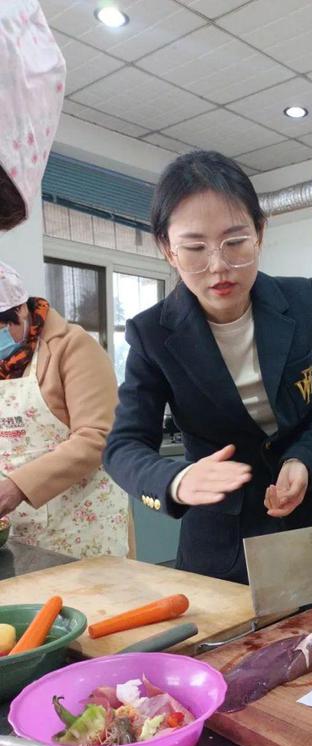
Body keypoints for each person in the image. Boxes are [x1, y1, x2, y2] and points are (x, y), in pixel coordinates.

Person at [104, 151, 312, 594]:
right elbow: (123, 446)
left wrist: (303, 457)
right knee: (225, 655)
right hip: (221, 536)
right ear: (167, 249)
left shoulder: (302, 301)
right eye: (195, 249)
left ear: (259, 232)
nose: (218, 266)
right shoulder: (152, 334)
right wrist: (178, 479)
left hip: (310, 517)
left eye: (235, 242)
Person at [0, 0, 129, 558]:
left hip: (83, 532)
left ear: (22, 311)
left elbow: (97, 439)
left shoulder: (72, 347)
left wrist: (14, 486)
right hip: (20, 534)